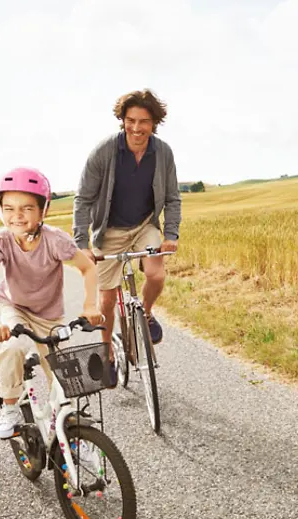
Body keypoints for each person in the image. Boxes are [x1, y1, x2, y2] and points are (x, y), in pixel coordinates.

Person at [0, 167, 102, 439]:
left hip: (50, 315)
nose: (17, 216)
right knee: (12, 347)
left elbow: (88, 269)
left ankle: (68, 423)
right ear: (0, 210)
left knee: (65, 371)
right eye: (8, 208)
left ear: (43, 210)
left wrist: (90, 306)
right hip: (16, 308)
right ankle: (10, 408)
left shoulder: (55, 240)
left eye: (27, 208)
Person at [72, 89, 182, 384]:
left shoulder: (163, 153)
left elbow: (172, 198)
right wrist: (82, 245)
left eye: (143, 121)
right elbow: (83, 200)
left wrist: (170, 234)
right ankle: (106, 352)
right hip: (109, 230)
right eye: (130, 120)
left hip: (144, 225)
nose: (136, 128)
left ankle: (144, 316)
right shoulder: (104, 151)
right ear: (122, 120)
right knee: (107, 299)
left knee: (157, 275)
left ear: (154, 123)